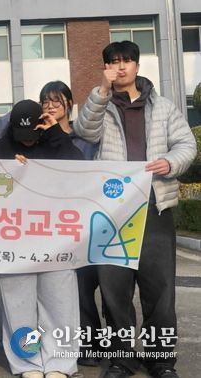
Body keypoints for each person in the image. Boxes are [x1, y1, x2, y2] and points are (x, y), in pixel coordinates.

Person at [74, 41, 196, 378]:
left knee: (160, 291)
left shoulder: (163, 107)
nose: (121, 67)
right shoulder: (100, 105)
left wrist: (169, 162)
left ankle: (161, 360)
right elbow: (85, 131)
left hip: (155, 207)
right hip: (112, 211)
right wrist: (102, 90)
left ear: (137, 66)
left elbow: (186, 144)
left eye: (127, 60)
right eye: (114, 62)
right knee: (115, 290)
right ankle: (122, 359)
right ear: (106, 67)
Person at [0, 99, 84, 378]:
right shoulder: (1, 147)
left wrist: (56, 133)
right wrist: (9, 168)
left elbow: (81, 169)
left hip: (57, 237)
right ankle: (27, 363)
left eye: (32, 134)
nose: (28, 141)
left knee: (60, 302)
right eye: (22, 135)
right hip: (15, 239)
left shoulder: (55, 142)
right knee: (18, 304)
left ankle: (60, 363)